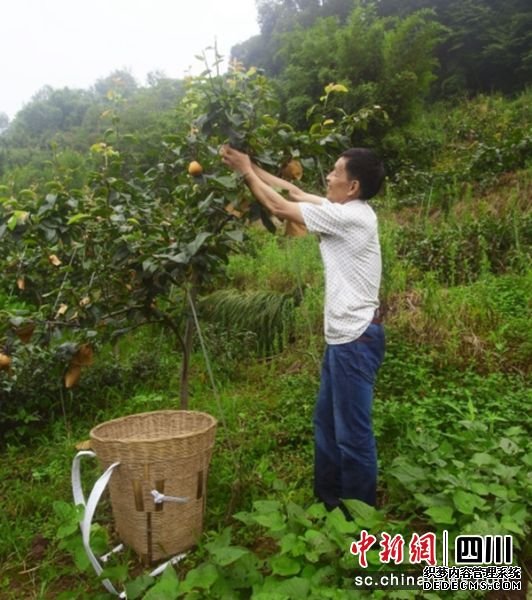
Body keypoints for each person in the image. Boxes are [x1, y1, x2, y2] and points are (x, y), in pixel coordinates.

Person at [220, 145, 386, 509]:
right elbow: (292, 192)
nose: (328, 176)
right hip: (344, 338)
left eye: (335, 173)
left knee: (352, 437)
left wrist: (247, 173)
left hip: (354, 340)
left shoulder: (350, 218)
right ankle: (329, 504)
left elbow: (280, 208)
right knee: (326, 425)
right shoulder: (345, 208)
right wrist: (251, 166)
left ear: (353, 186)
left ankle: (360, 524)